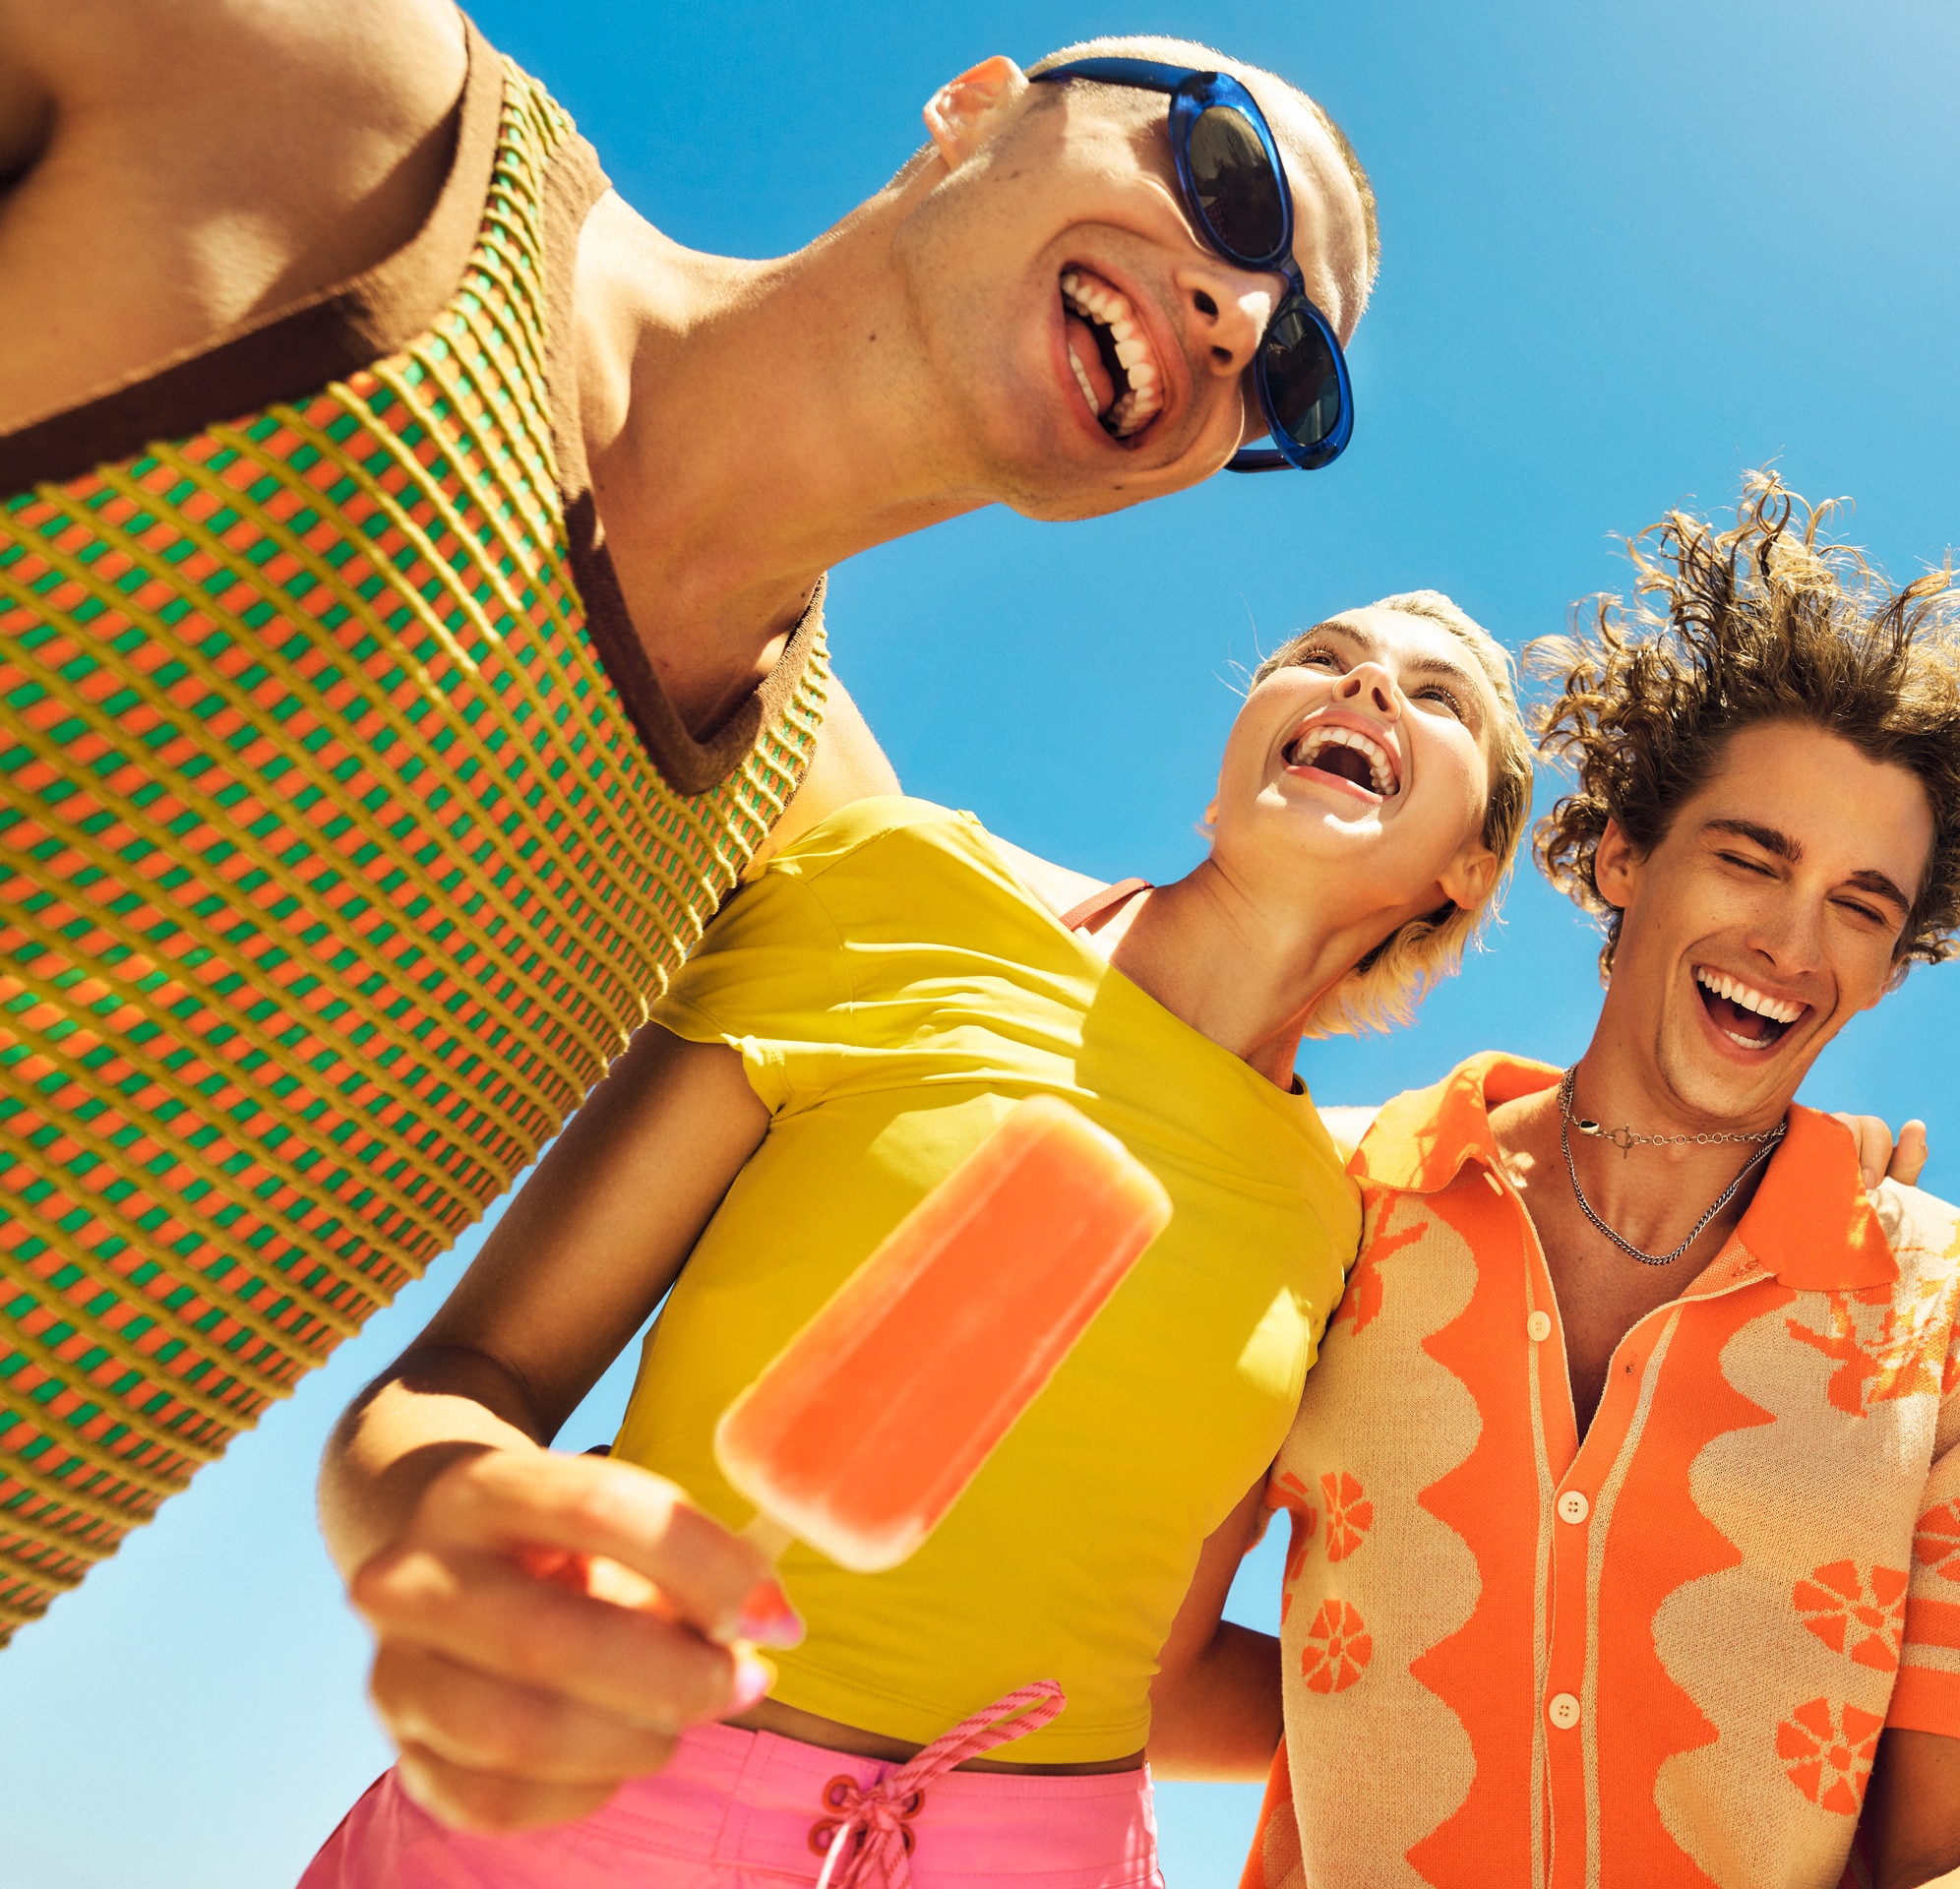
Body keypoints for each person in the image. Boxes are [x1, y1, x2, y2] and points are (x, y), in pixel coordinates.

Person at [0, 3, 1378, 1633]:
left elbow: (1145, 1038)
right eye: (1226, 177)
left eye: (1283, 376)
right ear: (973, 104)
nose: (1237, 313)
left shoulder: (811, 850)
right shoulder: (327, 101)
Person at [303, 591, 1525, 1886]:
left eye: (1435, 696)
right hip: (594, 1797)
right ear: (1223, 785)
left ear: (1467, 875)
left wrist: (1499, 1721)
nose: (1368, 687)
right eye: (1318, 660)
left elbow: (1160, 1677)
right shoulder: (903, 894)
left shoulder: (1338, 1213)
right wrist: (456, 1525)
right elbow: (473, 1371)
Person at [1234, 474, 1960, 1889]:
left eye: (1862, 907)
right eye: (1752, 858)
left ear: (1889, 967)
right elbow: (1140, 1630)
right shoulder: (1339, 1191)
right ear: (1622, 855)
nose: (1793, 943)